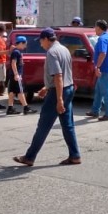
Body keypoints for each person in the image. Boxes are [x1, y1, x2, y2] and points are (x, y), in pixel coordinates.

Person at [13, 27, 81, 166]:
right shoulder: (64, 49)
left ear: (46, 39)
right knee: (68, 125)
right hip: (67, 88)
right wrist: (47, 87)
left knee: (43, 125)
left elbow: (58, 75)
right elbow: (64, 73)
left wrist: (59, 99)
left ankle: (29, 157)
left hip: (58, 92)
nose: (40, 44)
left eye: (41, 41)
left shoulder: (52, 52)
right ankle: (75, 155)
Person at [86, 19, 108, 121]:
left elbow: (103, 53)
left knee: (106, 91)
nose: (94, 29)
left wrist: (98, 67)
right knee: (99, 90)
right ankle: (95, 111)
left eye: (95, 27)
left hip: (104, 69)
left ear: (99, 28)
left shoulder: (102, 39)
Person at [6, 36, 34, 115]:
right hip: (16, 75)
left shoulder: (16, 51)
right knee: (20, 91)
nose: (25, 46)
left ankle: (10, 108)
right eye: (25, 44)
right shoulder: (16, 52)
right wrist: (16, 74)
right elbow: (13, 63)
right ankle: (26, 108)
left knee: (12, 91)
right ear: (21, 43)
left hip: (13, 74)